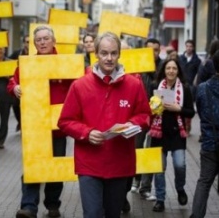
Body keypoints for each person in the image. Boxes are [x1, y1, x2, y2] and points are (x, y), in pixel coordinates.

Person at [58, 31, 151, 218]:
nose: (109, 58)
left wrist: (131, 125)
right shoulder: (80, 85)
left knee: (112, 214)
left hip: (119, 162)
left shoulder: (134, 85)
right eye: (104, 53)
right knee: (92, 213)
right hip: (89, 163)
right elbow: (65, 121)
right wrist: (86, 132)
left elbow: (145, 115)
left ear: (119, 54)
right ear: (96, 54)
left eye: (113, 53)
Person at [8, 25, 71, 218]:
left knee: (55, 169)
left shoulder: (65, 63)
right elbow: (12, 81)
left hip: (57, 126)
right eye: (39, 40)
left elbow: (82, 80)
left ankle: (52, 205)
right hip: (35, 125)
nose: (42, 42)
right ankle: (28, 207)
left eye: (46, 39)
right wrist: (15, 87)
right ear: (34, 43)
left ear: (53, 41)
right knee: (32, 166)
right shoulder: (27, 64)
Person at [149, 55, 195, 212]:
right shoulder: (156, 86)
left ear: (178, 71)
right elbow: (147, 109)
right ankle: (160, 199)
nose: (171, 71)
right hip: (158, 133)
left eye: (174, 68)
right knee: (159, 168)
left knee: (179, 164)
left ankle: (180, 189)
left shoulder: (185, 88)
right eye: (168, 68)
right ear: (164, 70)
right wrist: (154, 108)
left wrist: (179, 109)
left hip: (177, 134)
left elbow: (191, 112)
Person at [190, 49, 219, 218]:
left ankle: (197, 215)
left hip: (210, 143)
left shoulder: (202, 88)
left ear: (213, 65)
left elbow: (200, 112)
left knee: (204, 182)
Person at [137, 38, 163, 201]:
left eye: (156, 50)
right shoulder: (137, 65)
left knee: (151, 151)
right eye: (150, 49)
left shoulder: (162, 67)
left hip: (157, 117)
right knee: (136, 148)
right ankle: (135, 179)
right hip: (139, 116)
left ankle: (145, 187)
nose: (153, 53)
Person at [8, 35, 29, 132]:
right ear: (24, 43)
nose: (28, 44)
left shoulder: (37, 54)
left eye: (30, 42)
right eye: (27, 42)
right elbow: (7, 61)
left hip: (32, 86)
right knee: (15, 105)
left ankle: (24, 123)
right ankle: (20, 122)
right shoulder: (18, 53)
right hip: (20, 84)